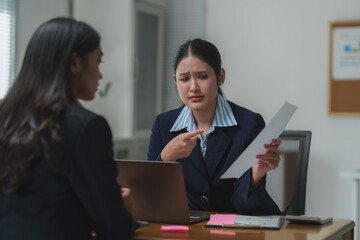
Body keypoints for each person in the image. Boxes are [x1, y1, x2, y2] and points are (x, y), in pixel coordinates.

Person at [0, 17, 138, 240]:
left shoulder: (5, 118)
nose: (100, 74)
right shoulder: (85, 127)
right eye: (98, 61)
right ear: (74, 63)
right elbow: (114, 229)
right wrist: (121, 210)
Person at [147, 38, 282, 215]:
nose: (193, 87)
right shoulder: (163, 125)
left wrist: (256, 175)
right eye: (185, 79)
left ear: (220, 76)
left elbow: (245, 206)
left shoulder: (250, 124)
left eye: (202, 76)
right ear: (175, 81)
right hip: (188, 229)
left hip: (238, 229)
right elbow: (149, 197)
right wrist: (165, 157)